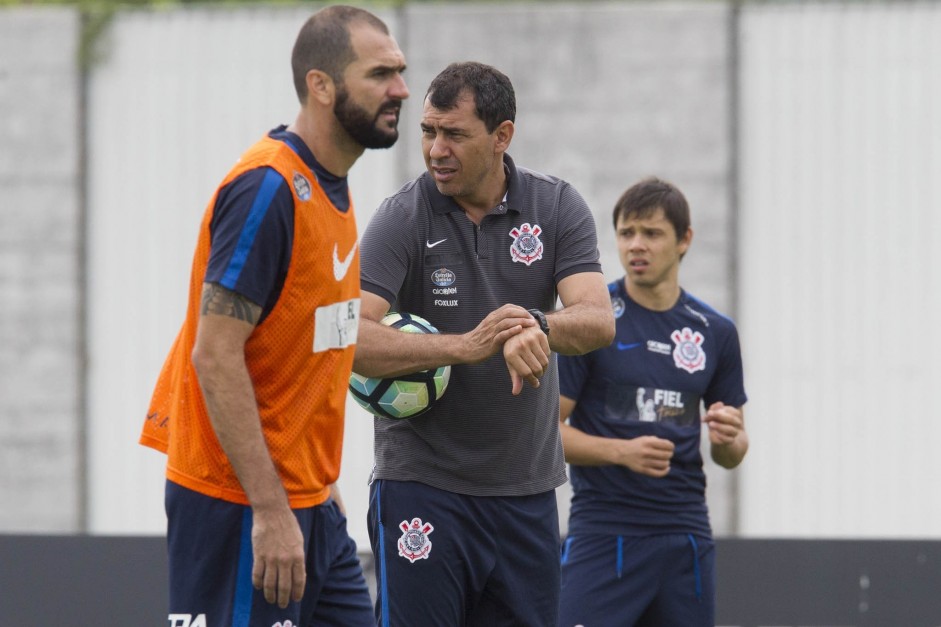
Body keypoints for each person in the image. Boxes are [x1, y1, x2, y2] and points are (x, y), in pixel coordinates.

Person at [139, 6, 409, 626]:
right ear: (321, 85)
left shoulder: (334, 185)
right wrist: (269, 509)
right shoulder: (267, 188)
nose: (399, 89)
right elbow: (215, 352)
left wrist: (316, 486)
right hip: (239, 506)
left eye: (399, 71)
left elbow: (314, 343)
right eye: (380, 75)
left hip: (312, 502)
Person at [352, 61, 615, 626]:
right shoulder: (402, 216)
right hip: (421, 490)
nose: (435, 150)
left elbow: (597, 319)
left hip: (525, 495)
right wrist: (466, 346)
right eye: (428, 131)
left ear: (502, 137)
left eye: (455, 134)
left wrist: (534, 327)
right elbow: (351, 340)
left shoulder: (556, 206)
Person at [557, 177, 749, 626]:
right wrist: (621, 452)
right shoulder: (592, 322)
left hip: (684, 535)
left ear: (685, 240)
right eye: (627, 233)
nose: (636, 245)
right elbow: (545, 434)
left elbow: (732, 455)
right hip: (605, 532)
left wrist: (729, 437)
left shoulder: (714, 332)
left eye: (652, 233)